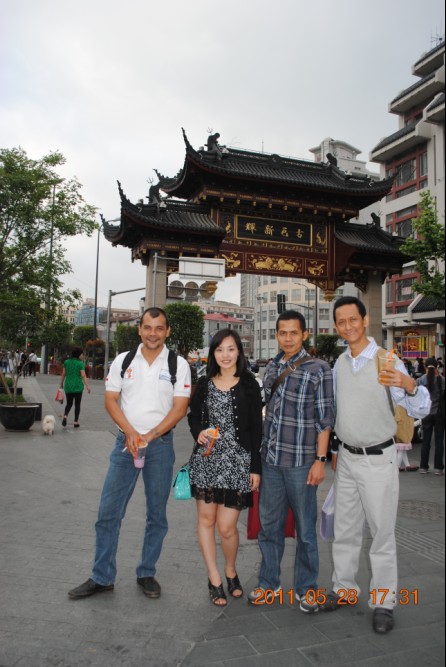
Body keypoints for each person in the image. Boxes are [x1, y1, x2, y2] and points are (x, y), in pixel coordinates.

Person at [320, 297, 431, 634]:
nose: (348, 327)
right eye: (341, 322)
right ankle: (344, 588)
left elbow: (422, 409)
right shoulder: (340, 364)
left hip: (379, 459)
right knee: (345, 530)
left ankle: (384, 602)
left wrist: (411, 385)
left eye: (353, 319)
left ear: (365, 320)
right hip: (347, 459)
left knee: (381, 533)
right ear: (336, 327)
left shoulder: (388, 360)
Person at [68, 307, 191, 600]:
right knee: (108, 512)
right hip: (125, 446)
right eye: (147, 327)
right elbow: (111, 401)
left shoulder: (178, 364)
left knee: (157, 515)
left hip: (160, 447)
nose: (153, 333)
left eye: (159, 328)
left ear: (167, 331)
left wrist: (151, 434)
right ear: (139, 329)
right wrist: (131, 433)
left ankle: (146, 572)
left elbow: (180, 408)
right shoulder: (123, 361)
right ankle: (102, 576)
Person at [248, 310, 335, 613]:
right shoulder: (272, 366)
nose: (288, 338)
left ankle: (307, 588)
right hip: (271, 460)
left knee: (306, 529)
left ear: (304, 334)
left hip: (301, 462)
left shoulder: (319, 369)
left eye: (293, 333)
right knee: (269, 527)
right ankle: (268, 583)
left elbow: (325, 419)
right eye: (282, 333)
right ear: (277, 335)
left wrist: (320, 460)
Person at [188, 329, 262, 606]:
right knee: (206, 521)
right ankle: (215, 578)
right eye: (219, 349)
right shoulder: (204, 383)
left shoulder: (249, 384)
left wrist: (255, 468)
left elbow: (257, 429)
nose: (225, 355)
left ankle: (231, 570)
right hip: (207, 460)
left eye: (230, 349)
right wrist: (199, 431)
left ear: (239, 351)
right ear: (213, 353)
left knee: (227, 527)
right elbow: (193, 416)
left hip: (238, 462)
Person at [417, 357, 445, 475]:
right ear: (437, 366)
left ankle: (423, 467)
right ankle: (438, 468)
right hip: (439, 413)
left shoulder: (421, 380)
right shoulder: (442, 380)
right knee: (439, 441)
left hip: (426, 414)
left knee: (426, 441)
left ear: (425, 367)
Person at [60, 348, 91, 427]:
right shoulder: (80, 363)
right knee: (77, 404)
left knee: (69, 404)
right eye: (81, 354)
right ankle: (75, 422)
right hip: (78, 386)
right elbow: (83, 375)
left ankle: (65, 416)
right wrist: (87, 386)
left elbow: (63, 374)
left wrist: (61, 383)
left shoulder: (66, 362)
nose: (82, 356)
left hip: (68, 386)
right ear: (78, 354)